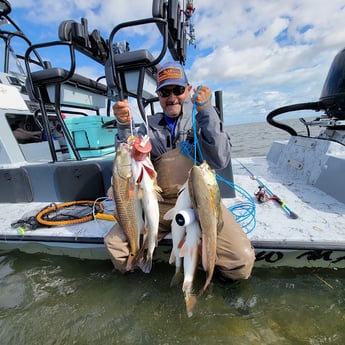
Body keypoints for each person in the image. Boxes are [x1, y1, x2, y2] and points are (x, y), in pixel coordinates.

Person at [104, 61, 255, 281]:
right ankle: (140, 278)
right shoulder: (148, 128)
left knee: (240, 260)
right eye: (165, 92)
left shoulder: (201, 118)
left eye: (178, 90)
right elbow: (125, 164)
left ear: (188, 90)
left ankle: (215, 282)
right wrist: (123, 125)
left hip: (200, 200)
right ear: (158, 95)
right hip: (159, 202)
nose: (172, 97)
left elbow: (220, 159)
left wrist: (207, 112)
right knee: (115, 245)